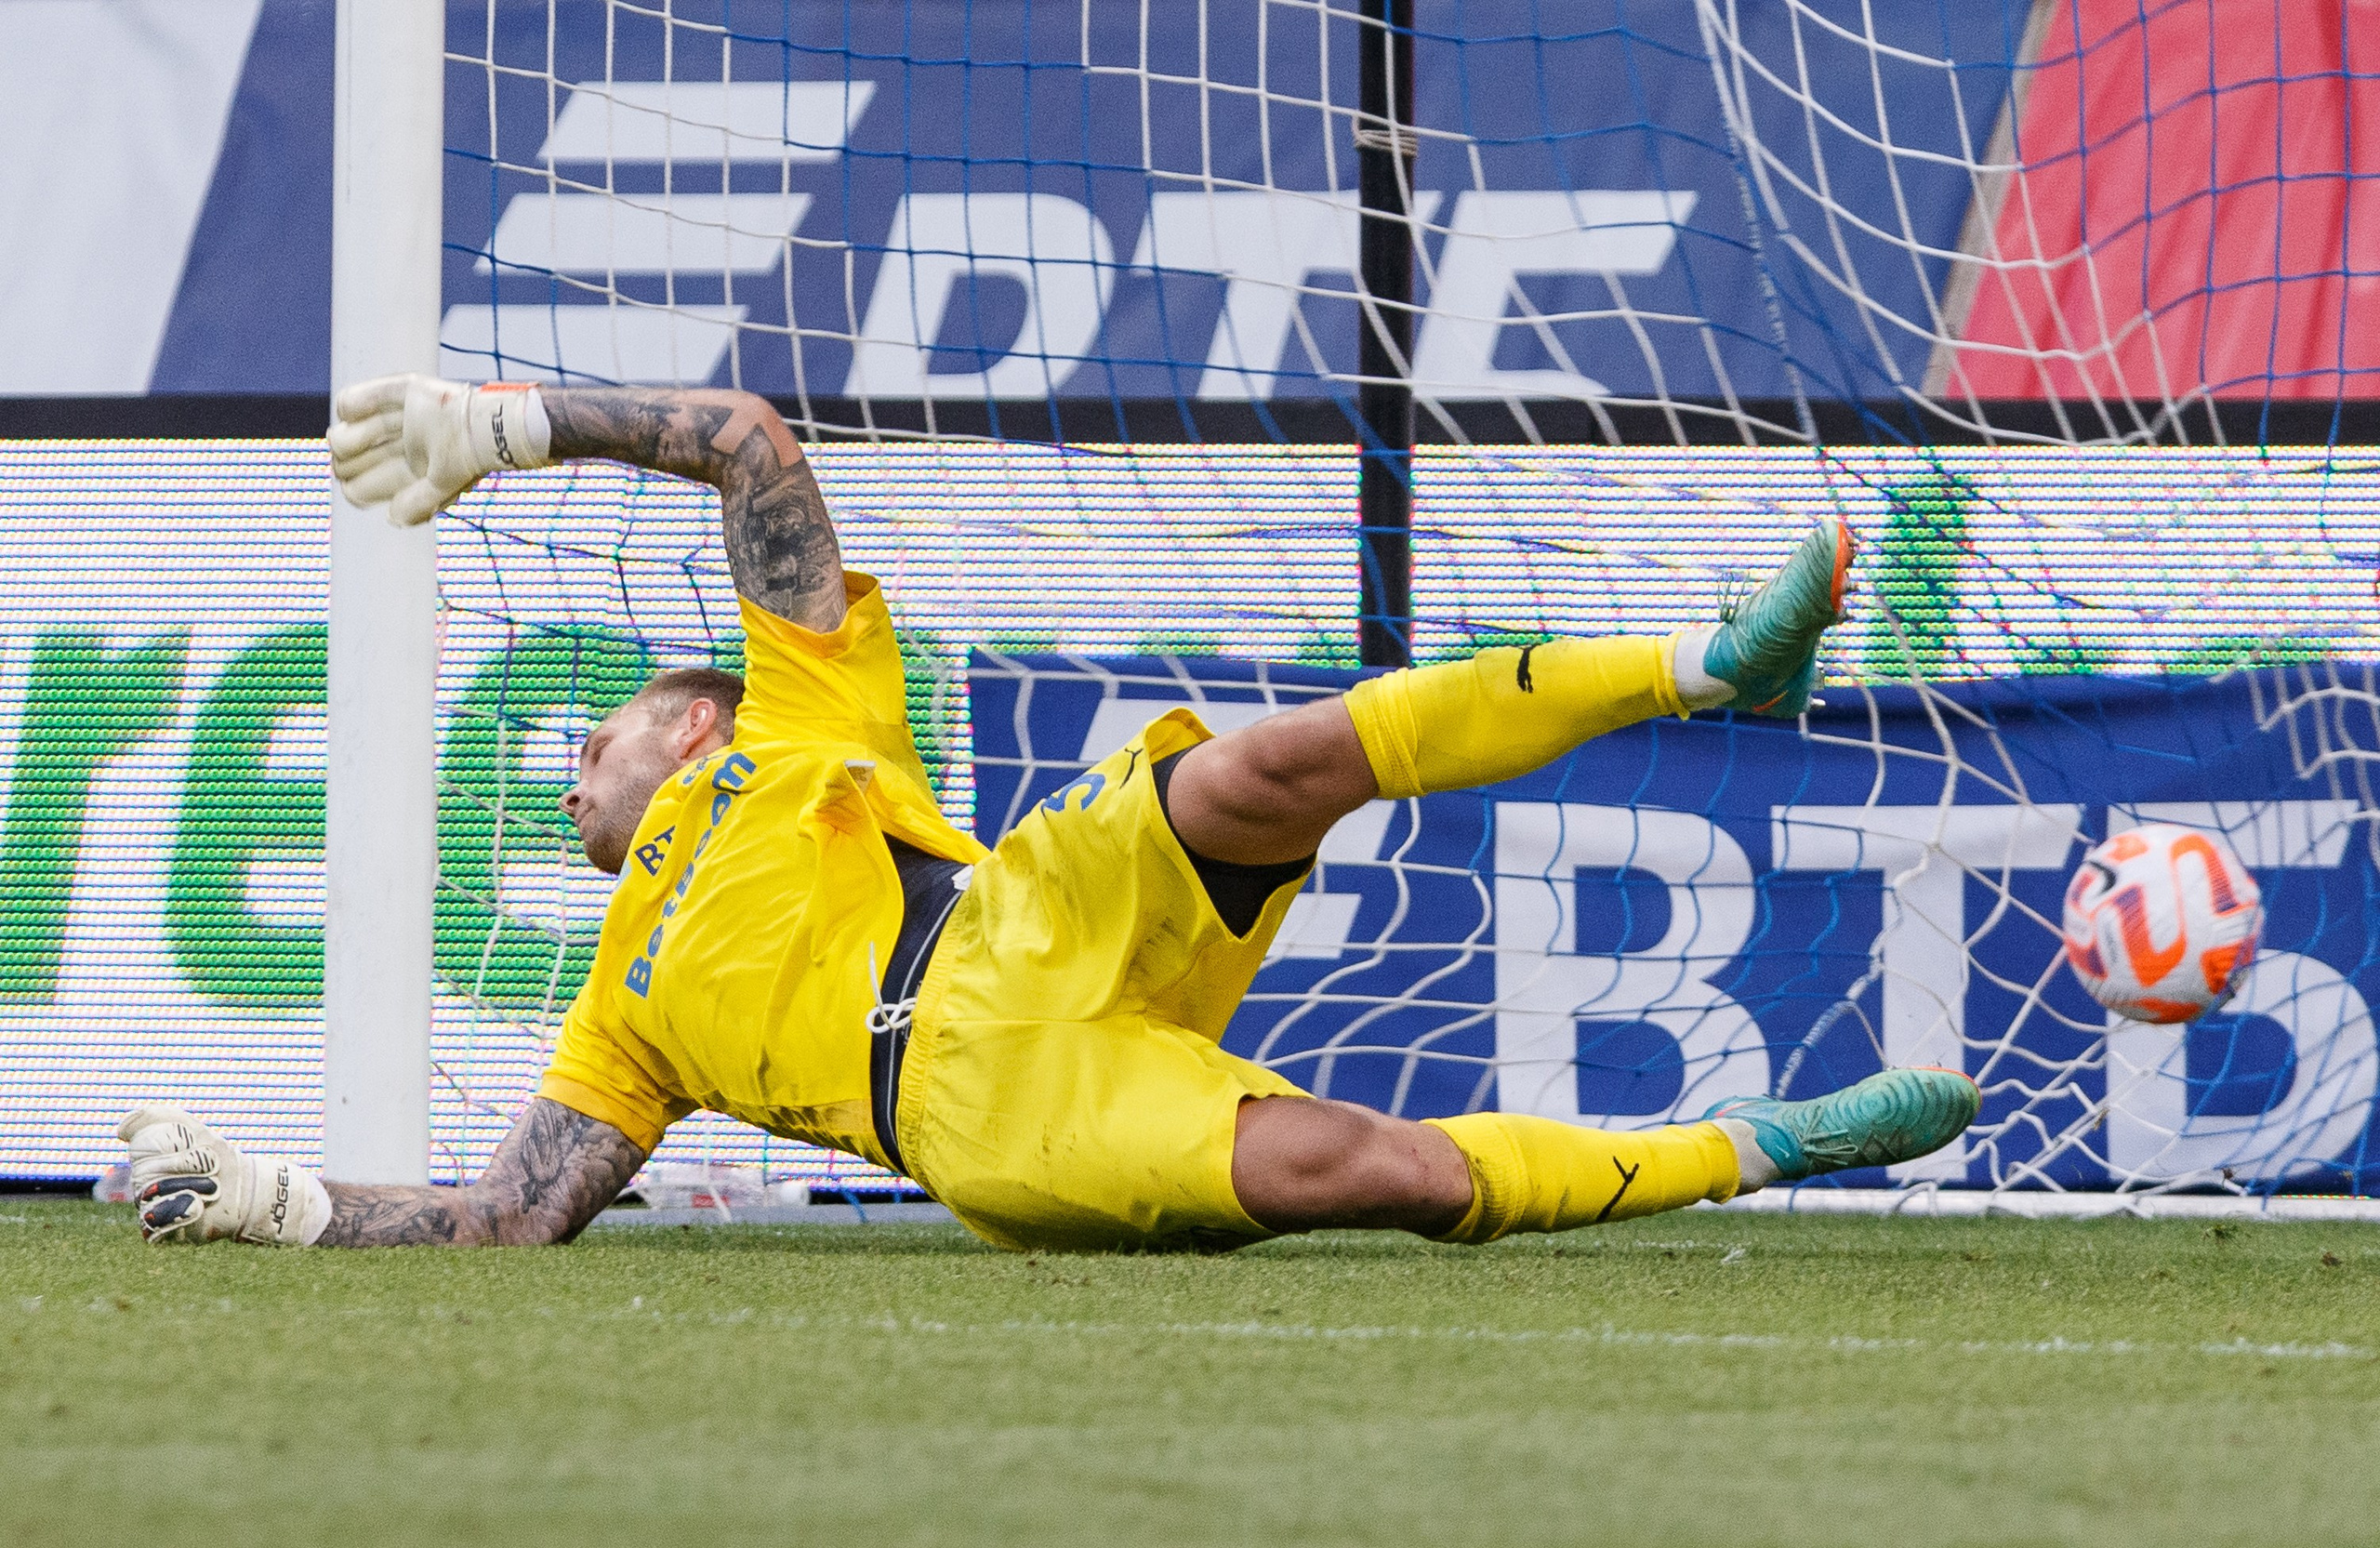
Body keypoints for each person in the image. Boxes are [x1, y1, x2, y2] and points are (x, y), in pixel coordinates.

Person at [114, 377, 1977, 1251]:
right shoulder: (616, 1013)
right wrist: (268, 1199)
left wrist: (504, 429)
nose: (568, 775)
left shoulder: (799, 708)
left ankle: (1702, 669)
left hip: (1025, 912)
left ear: (684, 717)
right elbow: (500, 1227)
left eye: (586, 744)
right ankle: (1761, 1142)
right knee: (1367, 1168)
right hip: (981, 1106)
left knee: (1259, 766)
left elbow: (750, 442)